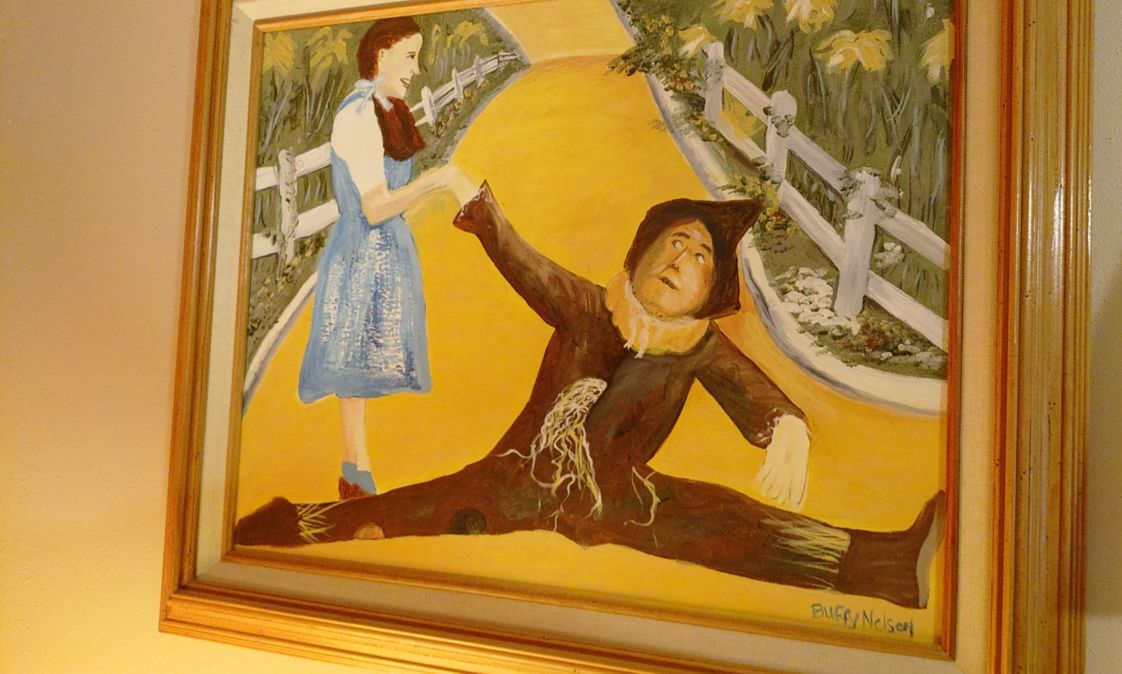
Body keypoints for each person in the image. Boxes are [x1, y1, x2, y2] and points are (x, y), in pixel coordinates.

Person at [240, 185, 943, 608]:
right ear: (641, 251)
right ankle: (286, 526)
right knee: (404, 513)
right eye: (675, 242)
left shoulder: (696, 343)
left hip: (619, 500)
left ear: (711, 292)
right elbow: (525, 263)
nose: (681, 260)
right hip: (516, 482)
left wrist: (784, 425)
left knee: (728, 522)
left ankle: (882, 567)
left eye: (701, 257)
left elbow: (750, 390)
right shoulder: (587, 307)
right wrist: (479, 208)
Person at [297, 17, 466, 500]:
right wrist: (437, 181)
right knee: (353, 361)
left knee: (366, 362)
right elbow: (373, 207)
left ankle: (354, 470)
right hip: (361, 254)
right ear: (381, 54)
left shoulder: (389, 109)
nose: (417, 68)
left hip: (386, 252)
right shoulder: (356, 116)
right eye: (410, 56)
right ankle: (357, 473)